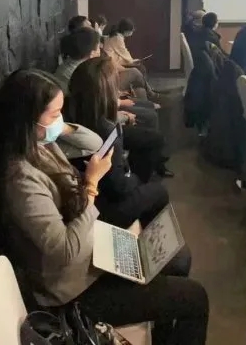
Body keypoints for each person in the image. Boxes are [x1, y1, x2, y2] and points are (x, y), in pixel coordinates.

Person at [0, 70, 208, 344]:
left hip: (93, 253)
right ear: (27, 119)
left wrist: (61, 127)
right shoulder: (20, 179)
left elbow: (90, 144)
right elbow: (63, 251)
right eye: (55, 114)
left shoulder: (39, 145)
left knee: (178, 260)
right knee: (195, 298)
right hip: (73, 291)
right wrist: (91, 184)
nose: (61, 120)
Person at [64, 57, 173, 227]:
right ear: (108, 93)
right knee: (160, 192)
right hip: (103, 206)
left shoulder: (71, 112)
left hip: (96, 185)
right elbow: (118, 187)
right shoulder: (106, 131)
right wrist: (136, 180)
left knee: (152, 139)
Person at [70, 57, 171, 181]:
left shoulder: (84, 99)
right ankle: (142, 179)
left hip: (108, 124)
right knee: (154, 137)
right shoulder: (108, 130)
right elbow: (118, 184)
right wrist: (124, 117)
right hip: (109, 133)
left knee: (154, 136)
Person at [103, 18, 158, 100]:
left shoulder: (115, 35)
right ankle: (149, 92)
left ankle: (147, 90)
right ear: (126, 31)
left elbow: (119, 53)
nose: (132, 33)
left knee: (140, 68)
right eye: (131, 31)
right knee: (140, 68)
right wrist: (131, 61)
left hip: (115, 61)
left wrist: (131, 61)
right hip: (113, 64)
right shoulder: (117, 38)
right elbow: (123, 51)